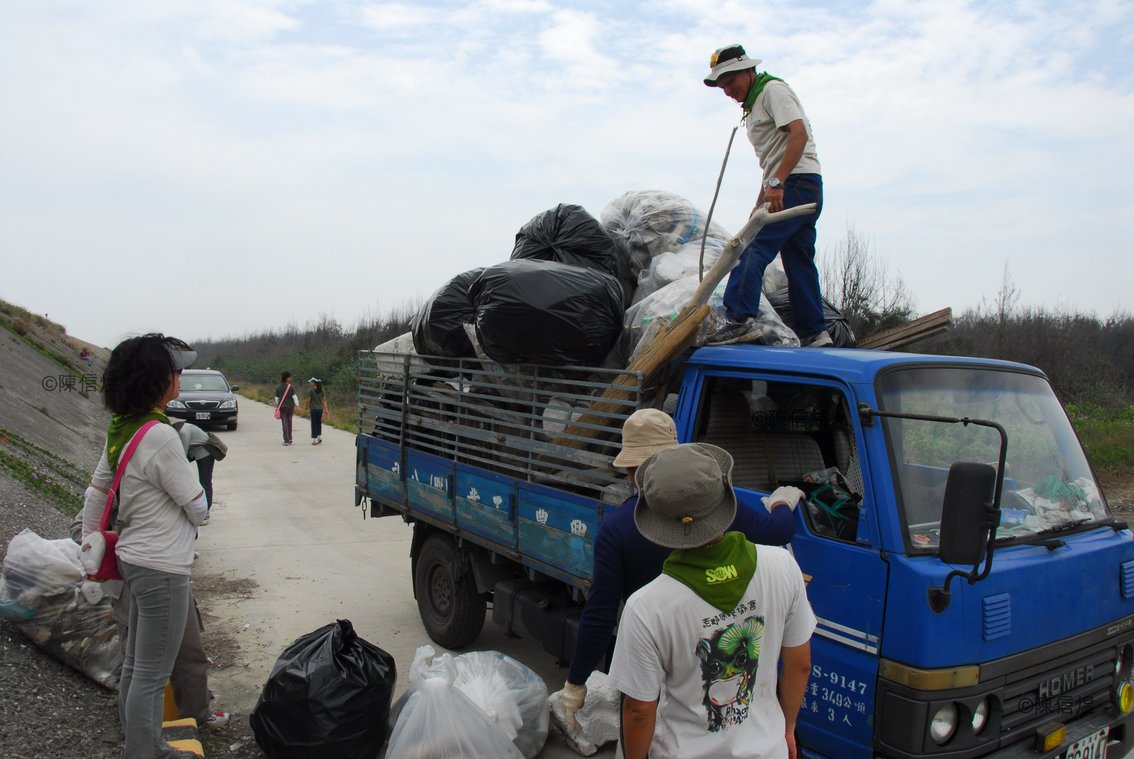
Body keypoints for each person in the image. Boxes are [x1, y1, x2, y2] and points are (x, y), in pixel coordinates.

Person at [556, 408, 801, 739]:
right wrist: (782, 502)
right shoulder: (719, 508)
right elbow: (777, 531)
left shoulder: (618, 531)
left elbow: (600, 615)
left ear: (630, 472)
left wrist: (576, 682)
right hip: (714, 663)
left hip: (652, 671)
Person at [607, 443, 815, 759]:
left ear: (656, 519)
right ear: (723, 500)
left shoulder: (646, 607)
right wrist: (787, 728)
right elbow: (800, 664)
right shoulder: (782, 566)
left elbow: (638, 710)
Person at [80, 333, 209, 759]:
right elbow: (198, 508)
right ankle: (145, 751)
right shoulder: (161, 436)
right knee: (152, 673)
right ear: (156, 380)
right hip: (162, 567)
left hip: (133, 559)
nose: (180, 378)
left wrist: (88, 543)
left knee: (137, 664)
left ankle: (142, 743)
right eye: (175, 372)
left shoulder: (123, 428)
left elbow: (96, 492)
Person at [703, 44, 832, 348]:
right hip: (799, 184)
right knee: (798, 261)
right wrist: (761, 199)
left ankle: (739, 320)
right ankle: (815, 333)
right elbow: (773, 159)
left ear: (749, 70)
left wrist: (777, 183)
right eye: (722, 86)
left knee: (751, 247)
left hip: (796, 183)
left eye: (731, 81)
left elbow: (798, 134)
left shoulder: (773, 90)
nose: (728, 90)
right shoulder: (754, 105)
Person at [172, 419, 228, 525]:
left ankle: (205, 513)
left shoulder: (183, 432)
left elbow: (182, 456)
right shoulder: (177, 431)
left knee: (205, 482)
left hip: (205, 452)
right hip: (194, 450)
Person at [273, 371, 300, 446]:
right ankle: (290, 438)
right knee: (289, 422)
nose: (291, 378)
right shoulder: (291, 387)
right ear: (286, 378)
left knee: (284, 423)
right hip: (290, 407)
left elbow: (276, 399)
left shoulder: (278, 387)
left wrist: (278, 405)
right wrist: (297, 405)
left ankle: (286, 440)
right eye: (290, 377)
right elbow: (294, 397)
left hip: (282, 407)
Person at [304, 376, 327, 445]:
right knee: (319, 423)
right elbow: (324, 401)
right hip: (320, 409)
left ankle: (315, 439)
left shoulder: (311, 391)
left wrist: (306, 407)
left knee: (314, 423)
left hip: (313, 409)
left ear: (314, 383)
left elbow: (308, 400)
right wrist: (326, 409)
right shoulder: (322, 390)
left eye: (311, 382)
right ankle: (319, 436)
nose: (310, 383)